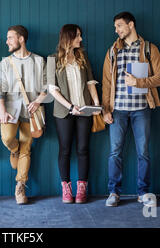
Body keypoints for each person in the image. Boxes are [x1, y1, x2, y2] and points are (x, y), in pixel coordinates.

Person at [102, 12, 160, 208]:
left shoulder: (149, 49)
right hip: (118, 110)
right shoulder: (113, 50)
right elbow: (106, 83)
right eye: (115, 27)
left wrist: (138, 82)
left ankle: (143, 192)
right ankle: (114, 192)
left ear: (131, 25)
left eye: (120, 26)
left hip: (142, 110)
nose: (117, 30)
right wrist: (105, 110)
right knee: (115, 153)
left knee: (144, 152)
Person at [0, 25, 47, 205]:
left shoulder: (40, 61)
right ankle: (13, 150)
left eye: (10, 38)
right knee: (8, 138)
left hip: (32, 113)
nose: (6, 41)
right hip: (9, 111)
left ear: (21, 39)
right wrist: (2, 110)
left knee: (27, 148)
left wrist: (38, 101)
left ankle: (20, 186)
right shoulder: (4, 63)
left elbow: (48, 86)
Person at [48, 24, 101, 204]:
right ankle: (66, 189)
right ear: (68, 38)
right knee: (64, 150)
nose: (81, 39)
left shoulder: (82, 57)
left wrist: (96, 105)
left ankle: (81, 189)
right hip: (64, 111)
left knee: (83, 149)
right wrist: (71, 107)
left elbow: (90, 83)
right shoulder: (51, 60)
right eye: (78, 36)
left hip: (84, 111)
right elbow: (53, 90)